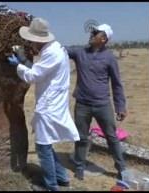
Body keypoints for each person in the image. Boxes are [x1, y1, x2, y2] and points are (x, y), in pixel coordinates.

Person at [7, 17, 80, 191]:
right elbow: (40, 70)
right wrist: (24, 61)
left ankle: (51, 186)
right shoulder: (55, 49)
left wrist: (18, 65)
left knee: (42, 146)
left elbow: (33, 76)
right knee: (46, 145)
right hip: (53, 102)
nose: (31, 45)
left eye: (31, 42)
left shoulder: (52, 53)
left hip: (50, 106)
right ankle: (62, 177)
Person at [66, 24, 127, 180]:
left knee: (111, 137)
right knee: (81, 137)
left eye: (95, 33)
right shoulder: (80, 52)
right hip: (82, 104)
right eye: (92, 32)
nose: (91, 34)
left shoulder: (109, 58)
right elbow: (61, 50)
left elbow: (116, 83)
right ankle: (79, 166)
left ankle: (121, 168)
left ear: (104, 38)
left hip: (102, 105)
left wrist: (120, 106)